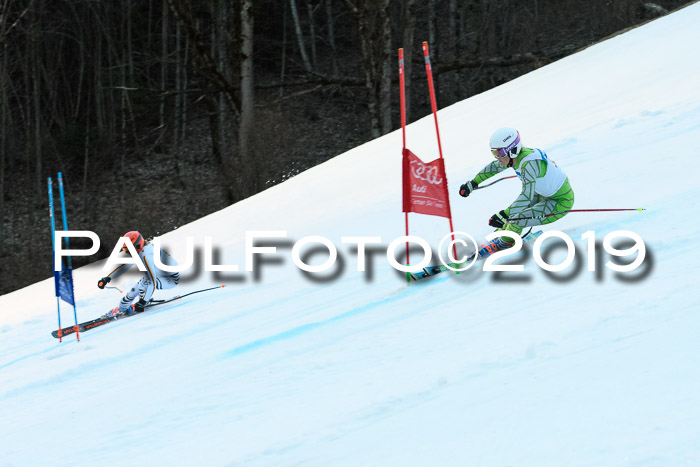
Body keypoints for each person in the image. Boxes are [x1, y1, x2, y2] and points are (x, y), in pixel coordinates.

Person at [459, 127, 574, 257]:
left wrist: (504, 214)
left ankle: (504, 243)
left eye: (500, 153)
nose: (498, 157)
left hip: (560, 201)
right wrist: (473, 183)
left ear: (512, 150)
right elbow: (494, 168)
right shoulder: (514, 158)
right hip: (542, 194)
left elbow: (526, 196)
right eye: (494, 153)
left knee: (516, 220)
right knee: (511, 217)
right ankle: (501, 236)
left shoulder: (529, 164)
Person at [97, 231, 180, 318]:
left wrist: (142, 302)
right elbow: (125, 267)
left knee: (143, 285)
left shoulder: (146, 255)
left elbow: (152, 282)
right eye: (125, 250)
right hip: (161, 274)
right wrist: (107, 278)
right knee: (133, 291)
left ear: (137, 245)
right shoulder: (141, 250)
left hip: (171, 279)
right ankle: (122, 308)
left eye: (128, 250)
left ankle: (145, 301)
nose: (128, 252)